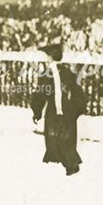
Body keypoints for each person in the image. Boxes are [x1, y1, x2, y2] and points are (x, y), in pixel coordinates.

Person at [30, 43, 85, 176]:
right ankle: (70, 165)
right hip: (68, 110)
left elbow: (39, 95)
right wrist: (78, 109)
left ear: (49, 58)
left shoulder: (46, 75)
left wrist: (36, 112)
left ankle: (70, 166)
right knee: (66, 138)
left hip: (54, 112)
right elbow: (78, 91)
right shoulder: (68, 72)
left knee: (56, 138)